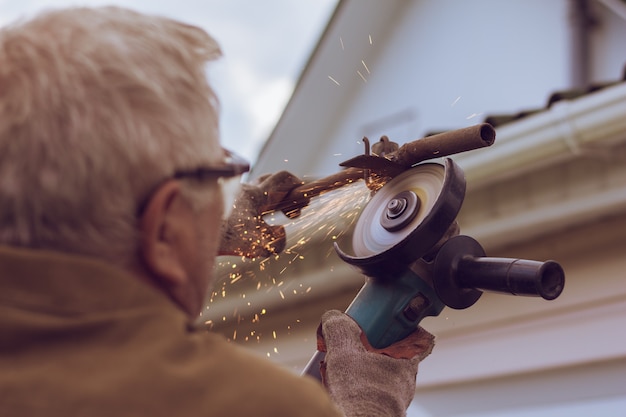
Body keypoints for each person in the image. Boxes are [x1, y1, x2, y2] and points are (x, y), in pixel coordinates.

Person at [0, 7, 434, 417]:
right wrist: (366, 403)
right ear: (165, 228)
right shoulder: (244, 403)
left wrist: (208, 218)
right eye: (221, 177)